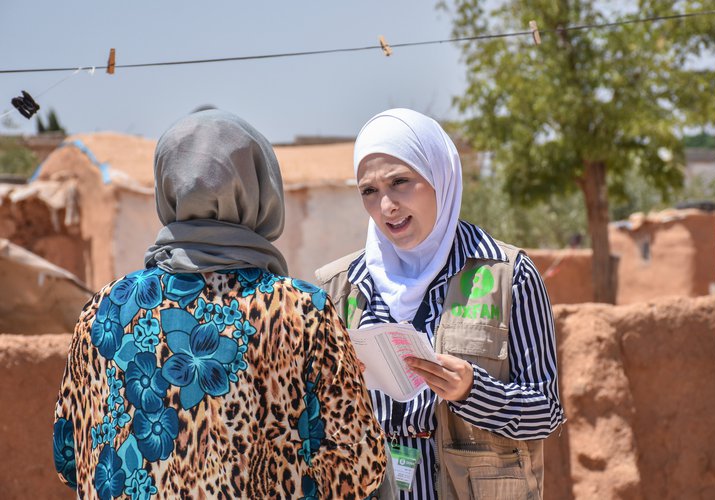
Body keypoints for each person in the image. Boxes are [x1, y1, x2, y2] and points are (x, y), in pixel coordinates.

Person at [53, 110, 386, 499]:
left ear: (168, 187)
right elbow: (361, 464)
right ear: (261, 188)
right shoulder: (302, 312)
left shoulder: (103, 310)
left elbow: (68, 458)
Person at [315, 108, 564, 499]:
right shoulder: (339, 287)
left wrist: (471, 391)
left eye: (400, 182)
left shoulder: (507, 275)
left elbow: (546, 414)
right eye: (369, 191)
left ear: (439, 177)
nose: (386, 206)